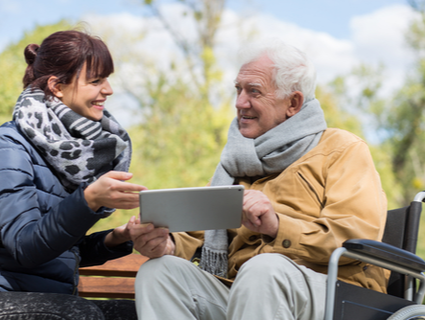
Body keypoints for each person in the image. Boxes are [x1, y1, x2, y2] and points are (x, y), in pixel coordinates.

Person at [128, 38, 388, 320]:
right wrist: (164, 244)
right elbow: (195, 237)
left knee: (264, 269)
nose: (240, 102)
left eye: (254, 91)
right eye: (238, 90)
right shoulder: (234, 164)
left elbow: (354, 235)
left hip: (337, 293)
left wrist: (278, 226)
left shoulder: (341, 148)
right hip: (248, 290)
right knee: (160, 271)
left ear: (293, 102)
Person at [0, 30, 146, 319]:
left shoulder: (65, 154)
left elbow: (63, 249)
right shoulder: (9, 147)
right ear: (56, 86)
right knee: (79, 314)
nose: (109, 89)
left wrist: (117, 238)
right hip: (8, 295)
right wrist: (88, 200)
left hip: (51, 298)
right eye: (96, 81)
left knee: (140, 313)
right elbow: (25, 246)